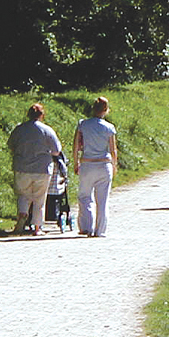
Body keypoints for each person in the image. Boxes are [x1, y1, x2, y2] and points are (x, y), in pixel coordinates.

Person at [7, 104, 61, 235]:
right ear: (42, 115)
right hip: (42, 169)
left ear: (28, 114)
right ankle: (37, 227)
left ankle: (21, 219)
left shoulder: (19, 129)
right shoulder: (47, 130)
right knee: (39, 199)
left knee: (23, 195)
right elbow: (57, 150)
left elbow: (11, 145)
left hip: (22, 167)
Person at [73, 96, 118, 237]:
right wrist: (114, 165)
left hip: (87, 164)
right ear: (105, 110)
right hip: (104, 164)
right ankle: (100, 230)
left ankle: (86, 227)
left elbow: (76, 145)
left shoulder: (83, 124)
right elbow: (113, 149)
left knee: (85, 196)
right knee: (102, 200)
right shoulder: (109, 128)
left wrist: (76, 162)